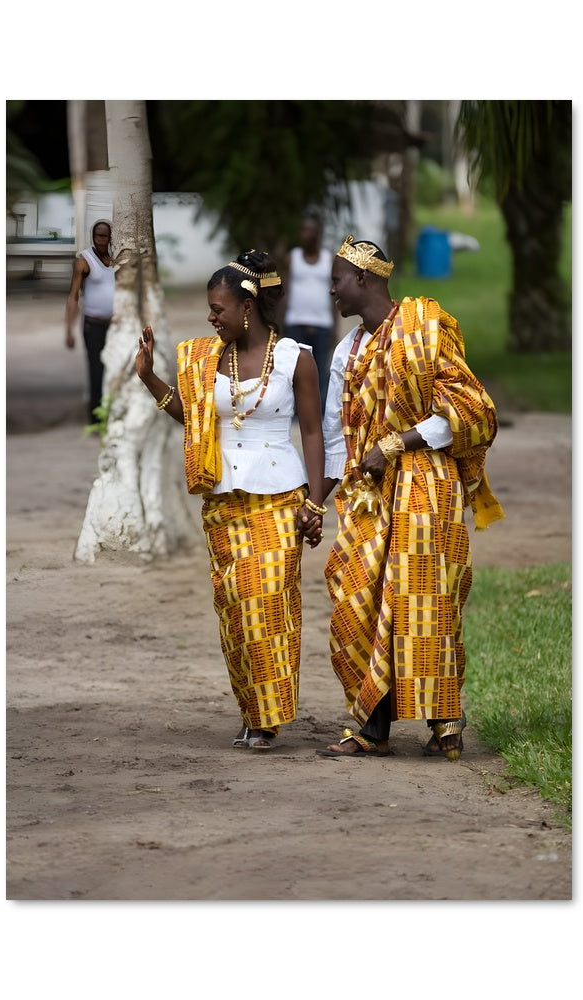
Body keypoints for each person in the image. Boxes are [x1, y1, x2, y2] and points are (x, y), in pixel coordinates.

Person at [315, 235, 505, 761]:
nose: (330, 290)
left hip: (426, 485)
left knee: (425, 603)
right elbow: (336, 438)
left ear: (364, 281)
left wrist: (398, 442)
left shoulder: (424, 329)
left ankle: (445, 724)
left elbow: (470, 410)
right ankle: (371, 728)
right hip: (368, 494)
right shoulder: (346, 350)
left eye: (336, 280)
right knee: (356, 603)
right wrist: (315, 502)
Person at [135, 249, 326, 752]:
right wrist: (151, 378)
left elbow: (312, 434)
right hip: (223, 501)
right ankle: (250, 711)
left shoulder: (295, 359)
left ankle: (268, 719)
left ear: (247, 307)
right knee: (234, 607)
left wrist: (316, 501)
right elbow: (195, 419)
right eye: (209, 309)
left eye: (218, 309)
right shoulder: (204, 357)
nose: (210, 317)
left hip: (280, 497)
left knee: (267, 604)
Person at [282, 214, 335, 414]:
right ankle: (295, 411)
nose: (305, 234)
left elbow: (333, 294)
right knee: (294, 370)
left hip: (322, 323)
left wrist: (334, 326)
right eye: (302, 230)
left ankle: (318, 411)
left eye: (310, 230)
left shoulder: (328, 259)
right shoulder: (292, 257)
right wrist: (279, 323)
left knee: (320, 370)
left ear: (318, 233)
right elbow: (284, 292)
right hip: (295, 321)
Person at [65, 219, 115, 424]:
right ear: (93, 237)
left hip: (114, 326)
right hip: (93, 326)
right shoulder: (84, 261)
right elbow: (73, 296)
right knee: (96, 371)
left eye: (105, 236)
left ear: (111, 237)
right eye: (98, 236)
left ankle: (111, 414)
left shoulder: (115, 260)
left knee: (114, 370)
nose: (101, 240)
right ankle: (95, 420)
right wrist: (68, 329)